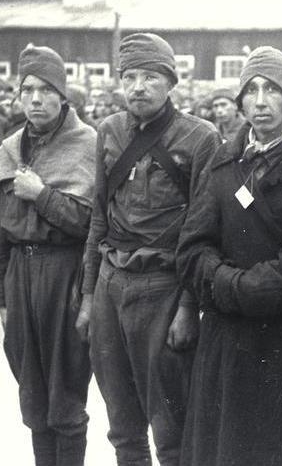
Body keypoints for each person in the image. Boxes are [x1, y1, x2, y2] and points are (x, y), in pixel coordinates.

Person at [177, 46, 282, 466]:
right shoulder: (223, 162)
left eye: (272, 90)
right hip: (224, 343)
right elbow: (192, 247)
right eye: (251, 90)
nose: (260, 101)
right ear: (240, 100)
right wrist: (227, 284)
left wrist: (226, 285)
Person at [76, 32, 220, 466]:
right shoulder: (109, 131)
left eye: (150, 77)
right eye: (130, 76)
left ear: (171, 83)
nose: (138, 86)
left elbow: (204, 231)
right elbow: (98, 218)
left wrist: (187, 308)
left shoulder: (201, 138)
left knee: (171, 427)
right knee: (121, 422)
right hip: (110, 284)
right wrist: (87, 296)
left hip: (164, 287)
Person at [0, 45, 96, 466]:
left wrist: (42, 195)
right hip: (20, 273)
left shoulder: (86, 144)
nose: (35, 99)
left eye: (46, 89)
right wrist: (1, 297)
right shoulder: (11, 148)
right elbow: (1, 228)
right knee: (31, 392)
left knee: (66, 389)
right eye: (27, 89)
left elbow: (89, 223)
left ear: (63, 95)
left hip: (63, 272)